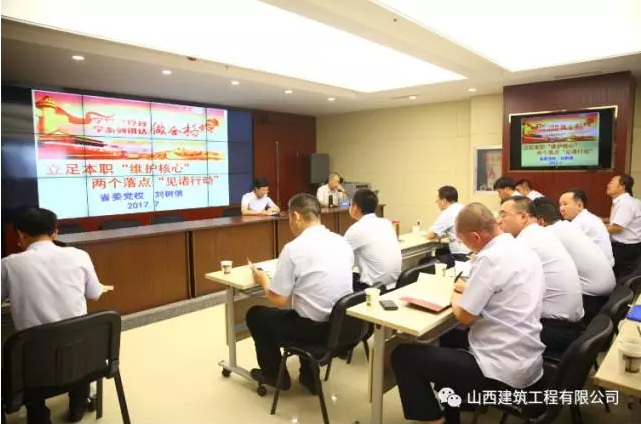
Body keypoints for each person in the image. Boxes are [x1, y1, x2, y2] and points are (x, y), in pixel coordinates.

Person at [391, 203, 545, 424]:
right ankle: (452, 408)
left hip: (499, 371)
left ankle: (435, 420)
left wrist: (455, 293)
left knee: (403, 356)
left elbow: (464, 316)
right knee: (449, 336)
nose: (467, 248)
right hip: (526, 359)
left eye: (464, 242)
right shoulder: (522, 248)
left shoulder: (489, 258)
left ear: (475, 237)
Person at [1, 207, 106, 424]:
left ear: (20, 234)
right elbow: (95, 294)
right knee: (75, 341)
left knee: (20, 353)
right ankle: (78, 405)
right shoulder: (79, 255)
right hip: (83, 355)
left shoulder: (8, 265)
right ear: (55, 233)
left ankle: (38, 415)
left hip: (34, 361)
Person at [245, 193, 353, 394]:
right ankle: (308, 375)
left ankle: (275, 376)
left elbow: (278, 299)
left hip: (313, 329)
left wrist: (263, 279)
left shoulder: (293, 249)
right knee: (304, 307)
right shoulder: (342, 242)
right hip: (342, 327)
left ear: (295, 216)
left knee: (256, 315)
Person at [498, 196, 584, 356]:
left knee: (485, 324)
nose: (499, 221)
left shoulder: (526, 242)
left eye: (503, 215)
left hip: (553, 329)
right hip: (569, 327)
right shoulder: (540, 233)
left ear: (523, 217)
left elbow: (499, 285)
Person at [532, 197, 616, 322]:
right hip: (607, 288)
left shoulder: (549, 234)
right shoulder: (567, 226)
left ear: (540, 221)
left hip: (592, 297)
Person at [344, 189, 401, 291]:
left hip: (373, 289)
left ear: (355, 208)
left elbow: (338, 256)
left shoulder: (356, 229)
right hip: (394, 284)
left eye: (350, 204)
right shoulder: (386, 223)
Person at [559, 188, 614, 266]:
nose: (561, 209)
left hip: (599, 267)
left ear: (579, 205)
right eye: (560, 205)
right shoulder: (586, 217)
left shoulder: (581, 222)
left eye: (565, 204)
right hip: (603, 264)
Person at [425, 186, 470, 268]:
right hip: (470, 252)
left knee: (424, 261)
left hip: (460, 255)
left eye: (438, 200)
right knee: (441, 251)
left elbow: (430, 235)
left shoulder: (448, 213)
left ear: (444, 201)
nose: (436, 202)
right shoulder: (463, 208)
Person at [605, 174, 641, 278]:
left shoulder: (625, 203)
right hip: (629, 247)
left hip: (625, 249)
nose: (608, 185)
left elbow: (617, 227)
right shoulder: (624, 201)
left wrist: (596, 228)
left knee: (622, 277)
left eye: (611, 182)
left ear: (622, 187)